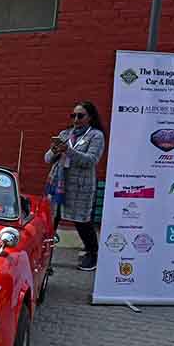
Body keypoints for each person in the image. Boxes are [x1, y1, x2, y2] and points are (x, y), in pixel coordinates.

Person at [44, 101, 106, 271]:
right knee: (51, 222)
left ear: (90, 117)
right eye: (73, 115)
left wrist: (68, 150)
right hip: (58, 184)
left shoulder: (96, 136)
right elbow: (47, 159)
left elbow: (90, 160)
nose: (76, 119)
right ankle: (45, 260)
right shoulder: (65, 133)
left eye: (80, 115)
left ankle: (92, 254)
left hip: (80, 187)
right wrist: (55, 150)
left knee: (81, 222)